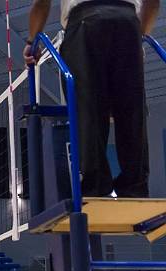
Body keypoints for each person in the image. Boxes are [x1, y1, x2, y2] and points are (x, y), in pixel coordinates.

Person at [25, 0, 160, 198]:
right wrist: (138, 35)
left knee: (87, 107)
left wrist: (31, 42)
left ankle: (94, 185)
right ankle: (135, 186)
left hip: (85, 22)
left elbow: (41, 3)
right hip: (128, 21)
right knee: (132, 110)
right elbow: (153, 3)